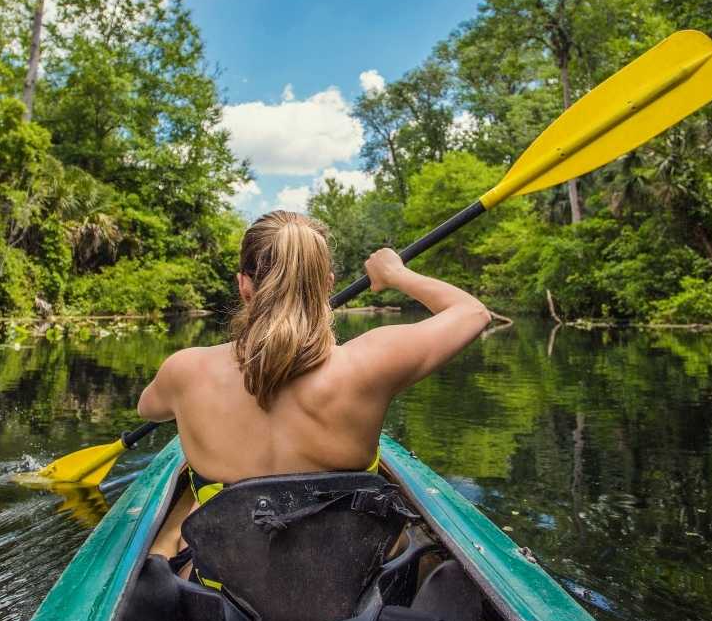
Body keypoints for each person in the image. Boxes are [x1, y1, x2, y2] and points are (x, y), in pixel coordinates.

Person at [137, 210, 491, 511]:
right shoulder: (370, 364)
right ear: (327, 285)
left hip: (221, 590)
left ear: (244, 285)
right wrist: (397, 274)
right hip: (349, 589)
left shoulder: (185, 371)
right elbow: (472, 312)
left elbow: (148, 411)